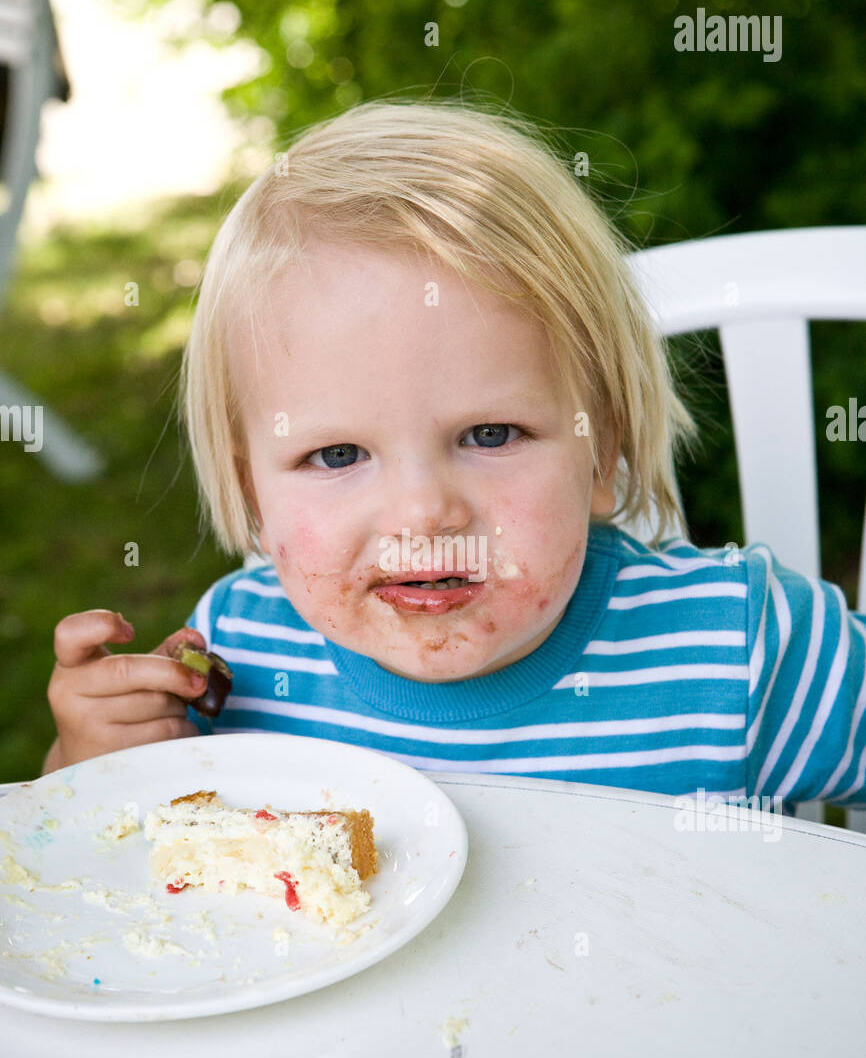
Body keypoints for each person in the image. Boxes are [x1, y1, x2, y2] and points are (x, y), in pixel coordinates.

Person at [42, 99, 866, 813]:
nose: (422, 511)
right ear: (251, 485)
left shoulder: (740, 650)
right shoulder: (240, 660)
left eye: (490, 435)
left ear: (602, 443)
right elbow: (114, 859)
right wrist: (92, 763)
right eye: (336, 455)